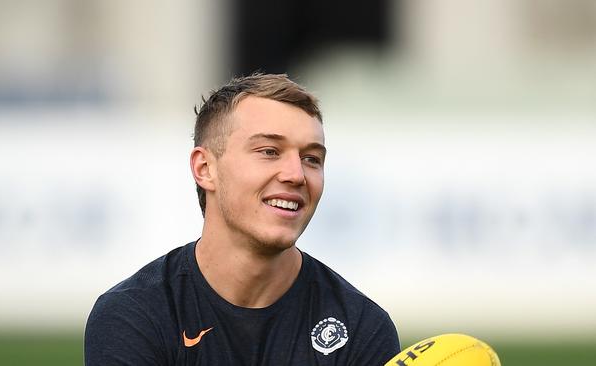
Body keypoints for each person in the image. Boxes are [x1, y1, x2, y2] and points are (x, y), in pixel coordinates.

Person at [84, 73, 400, 365]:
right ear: (205, 168)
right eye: (269, 151)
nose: (296, 175)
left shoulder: (362, 326)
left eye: (311, 159)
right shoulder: (135, 315)